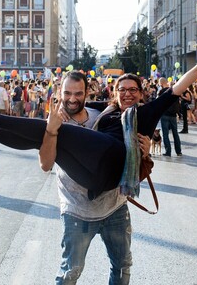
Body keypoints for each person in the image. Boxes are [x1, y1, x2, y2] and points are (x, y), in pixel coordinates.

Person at [0, 38, 197, 196]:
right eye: (122, 90)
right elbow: (73, 102)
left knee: (61, 130)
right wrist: (58, 107)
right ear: (114, 93)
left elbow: (179, 85)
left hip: (113, 162)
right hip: (91, 178)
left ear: (141, 93)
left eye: (133, 90)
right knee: (49, 136)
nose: (127, 94)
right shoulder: (105, 108)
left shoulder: (146, 112)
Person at [39, 71, 150, 284]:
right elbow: (45, 165)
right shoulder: (55, 122)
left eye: (78, 93)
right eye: (67, 93)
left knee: (122, 266)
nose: (72, 99)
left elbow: (122, 151)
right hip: (77, 211)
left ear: (87, 93)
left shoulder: (101, 116)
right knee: (71, 271)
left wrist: (143, 151)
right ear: (59, 92)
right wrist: (51, 131)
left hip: (115, 207)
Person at [158, 77, 182, 157]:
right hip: (173, 115)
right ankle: (178, 151)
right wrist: (178, 113)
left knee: (165, 134)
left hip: (164, 114)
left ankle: (168, 152)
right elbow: (178, 103)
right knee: (175, 133)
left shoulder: (161, 91)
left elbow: (158, 103)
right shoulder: (174, 90)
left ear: (161, 83)